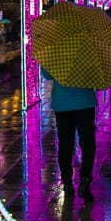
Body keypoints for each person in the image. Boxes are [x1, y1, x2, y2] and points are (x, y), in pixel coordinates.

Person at [41, 65, 97, 200]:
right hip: (85, 103)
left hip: (62, 103)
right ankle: (85, 179)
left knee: (65, 144)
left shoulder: (55, 52)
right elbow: (98, 80)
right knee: (88, 143)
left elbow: (47, 75)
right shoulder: (89, 52)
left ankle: (68, 183)